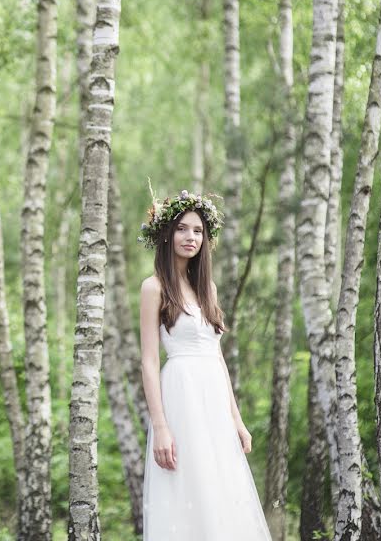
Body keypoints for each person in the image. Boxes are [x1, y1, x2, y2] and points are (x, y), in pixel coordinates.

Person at [136, 189, 271, 540]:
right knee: (187, 489)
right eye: (182, 229)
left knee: (221, 489)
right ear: (167, 234)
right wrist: (161, 427)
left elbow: (218, 357)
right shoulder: (153, 288)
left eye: (197, 231)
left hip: (213, 402)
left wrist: (237, 420)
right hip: (181, 397)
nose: (190, 237)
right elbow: (150, 361)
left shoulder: (207, 288)